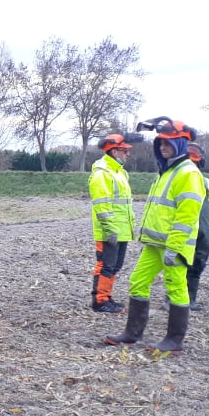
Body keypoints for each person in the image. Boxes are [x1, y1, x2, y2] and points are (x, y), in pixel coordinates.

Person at [105, 117, 205, 355]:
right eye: (161, 143)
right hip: (154, 243)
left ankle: (174, 340)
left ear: (181, 143)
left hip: (172, 245)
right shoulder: (167, 171)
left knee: (176, 289)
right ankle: (132, 333)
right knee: (138, 282)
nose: (163, 147)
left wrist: (175, 246)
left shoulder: (187, 173)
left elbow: (187, 215)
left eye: (168, 143)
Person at [88, 133, 138, 313]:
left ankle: (107, 297)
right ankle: (100, 301)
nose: (128, 154)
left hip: (122, 230)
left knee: (115, 266)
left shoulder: (120, 172)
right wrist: (110, 229)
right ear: (114, 151)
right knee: (106, 265)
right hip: (110, 230)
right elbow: (102, 205)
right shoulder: (102, 173)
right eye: (124, 151)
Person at [185, 142, 209, 310]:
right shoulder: (174, 179)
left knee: (198, 263)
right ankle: (171, 300)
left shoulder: (206, 183)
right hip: (183, 229)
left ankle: (190, 299)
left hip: (203, 231)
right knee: (179, 265)